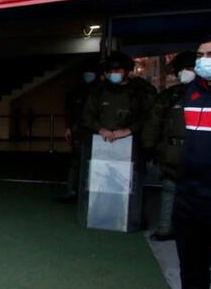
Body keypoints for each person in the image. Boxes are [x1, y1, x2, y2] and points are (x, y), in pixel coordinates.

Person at [151, 35, 211, 289]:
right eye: (202, 55)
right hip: (190, 192)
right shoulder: (191, 92)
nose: (205, 60)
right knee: (192, 264)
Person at [142, 52, 196, 241]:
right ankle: (165, 229)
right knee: (169, 189)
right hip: (172, 152)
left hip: (201, 152)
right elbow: (154, 123)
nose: (188, 72)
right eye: (185, 69)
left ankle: (199, 234)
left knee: (200, 195)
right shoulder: (170, 96)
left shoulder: (209, 95)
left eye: (192, 68)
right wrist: (149, 147)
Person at [82, 51, 156, 145]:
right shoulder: (98, 90)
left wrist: (128, 130)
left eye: (117, 71)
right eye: (109, 71)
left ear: (126, 71)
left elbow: (148, 116)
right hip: (102, 142)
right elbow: (87, 115)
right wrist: (101, 130)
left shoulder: (139, 90)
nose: (113, 74)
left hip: (132, 142)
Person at [60, 60, 99, 202]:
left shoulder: (100, 91)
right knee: (76, 161)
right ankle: (72, 191)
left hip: (97, 131)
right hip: (79, 130)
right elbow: (70, 110)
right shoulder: (76, 91)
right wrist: (69, 127)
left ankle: (91, 193)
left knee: (94, 162)